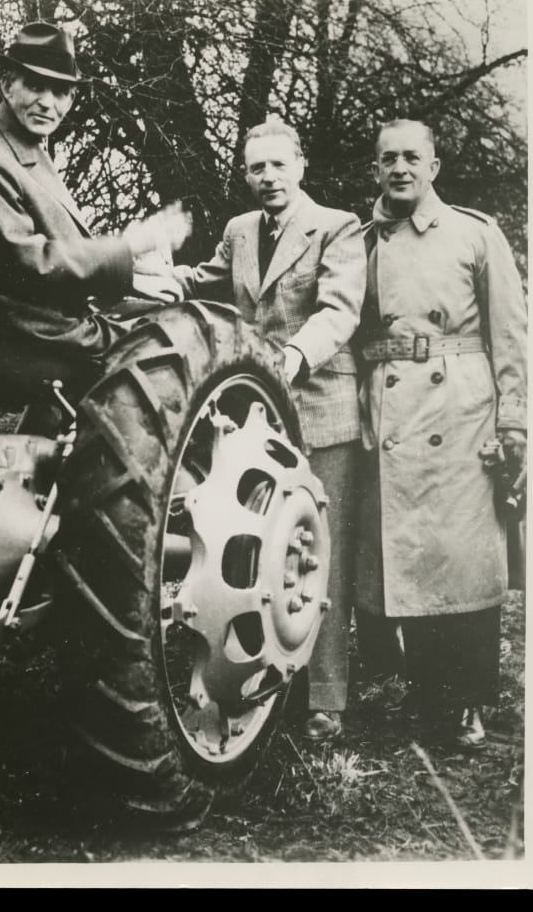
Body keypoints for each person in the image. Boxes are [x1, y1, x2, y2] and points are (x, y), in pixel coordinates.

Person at [170, 119, 367, 744]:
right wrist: (159, 279)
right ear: (246, 174)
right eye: (257, 168)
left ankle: (326, 701)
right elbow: (207, 282)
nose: (269, 178)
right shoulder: (239, 231)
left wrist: (295, 357)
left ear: (300, 166)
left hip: (321, 409)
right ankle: (260, 685)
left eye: (279, 165)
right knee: (257, 550)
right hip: (256, 420)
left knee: (317, 554)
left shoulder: (337, 226)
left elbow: (339, 310)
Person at [355, 119, 527, 751]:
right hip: (389, 406)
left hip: (459, 409)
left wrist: (514, 418)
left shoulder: (474, 233)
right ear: (376, 169)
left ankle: (466, 702)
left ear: (434, 166)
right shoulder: (360, 241)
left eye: (411, 157)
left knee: (461, 555)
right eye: (388, 158)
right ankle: (425, 693)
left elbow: (510, 332)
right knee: (411, 551)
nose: (399, 168)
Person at [0, 21, 189, 355]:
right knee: (173, 340)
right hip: (15, 338)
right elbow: (33, 265)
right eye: (35, 86)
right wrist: (128, 248)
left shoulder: (24, 145)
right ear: (8, 85)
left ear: (72, 99)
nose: (47, 103)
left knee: (174, 318)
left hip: (41, 324)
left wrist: (130, 273)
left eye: (59, 91)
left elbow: (59, 255)